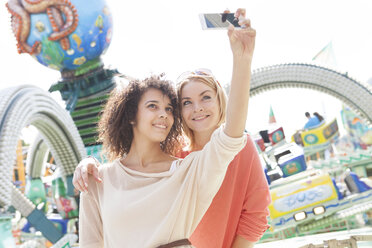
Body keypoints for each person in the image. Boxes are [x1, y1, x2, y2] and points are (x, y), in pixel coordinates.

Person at [77, 9, 255, 248]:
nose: (163, 114)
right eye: (153, 106)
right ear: (131, 115)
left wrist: (242, 58)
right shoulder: (97, 179)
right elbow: (90, 244)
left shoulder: (188, 171)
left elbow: (231, 135)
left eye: (170, 109)